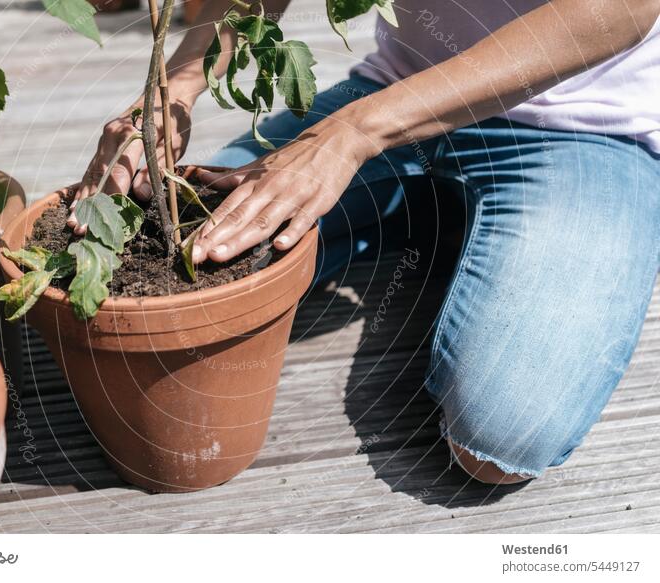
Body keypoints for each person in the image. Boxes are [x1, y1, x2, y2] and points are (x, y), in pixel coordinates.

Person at [70, 0, 660, 484]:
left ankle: (452, 216)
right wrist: (178, 85)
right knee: (189, 249)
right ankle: (425, 209)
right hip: (399, 88)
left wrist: (354, 133)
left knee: (499, 441)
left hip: (583, 131)